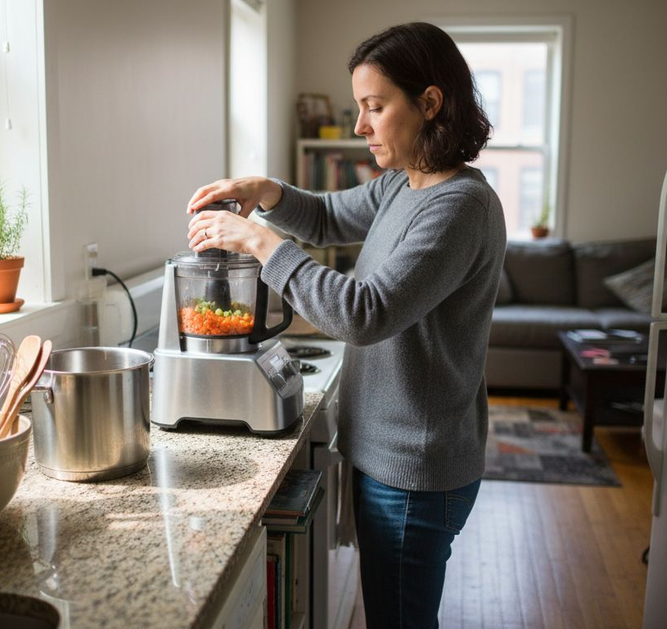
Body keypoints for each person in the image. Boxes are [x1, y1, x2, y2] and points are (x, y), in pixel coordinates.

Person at [185, 22, 505, 628]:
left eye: (375, 107)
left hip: (416, 469)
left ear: (429, 103)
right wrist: (266, 190)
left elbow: (364, 313)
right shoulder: (402, 184)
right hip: (388, 455)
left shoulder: (460, 206)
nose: (360, 126)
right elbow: (329, 216)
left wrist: (258, 240)